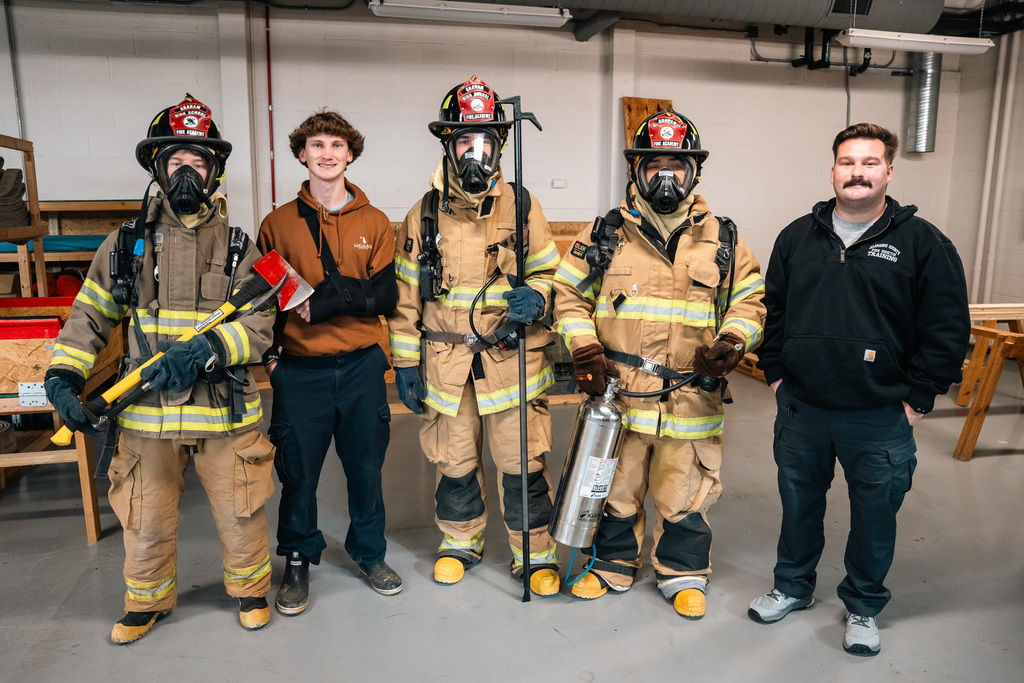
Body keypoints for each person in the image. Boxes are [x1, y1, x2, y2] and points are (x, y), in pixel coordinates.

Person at [44, 94, 277, 643]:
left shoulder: (244, 246)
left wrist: (210, 348)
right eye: (176, 162)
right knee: (145, 516)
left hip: (224, 412)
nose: (187, 174)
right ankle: (146, 603)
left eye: (198, 162)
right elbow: (89, 316)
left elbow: (263, 326)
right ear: (158, 168)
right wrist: (64, 375)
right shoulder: (124, 245)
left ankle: (250, 591)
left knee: (241, 511)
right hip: (145, 413)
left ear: (214, 169)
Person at [748, 122, 970, 655]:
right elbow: (770, 312)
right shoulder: (797, 236)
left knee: (875, 516)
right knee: (799, 504)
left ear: (888, 172)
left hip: (879, 415)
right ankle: (792, 587)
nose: (857, 172)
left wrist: (918, 397)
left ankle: (864, 606)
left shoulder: (923, 243)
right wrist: (776, 374)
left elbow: (946, 328)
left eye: (870, 163)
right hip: (803, 406)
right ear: (833, 171)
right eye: (848, 162)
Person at [552, 110, 766, 619]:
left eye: (677, 164)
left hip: (692, 397)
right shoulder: (604, 233)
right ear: (636, 172)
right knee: (615, 490)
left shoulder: (726, 240)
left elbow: (751, 303)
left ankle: (683, 574)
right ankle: (612, 568)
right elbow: (566, 296)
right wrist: (583, 348)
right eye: (654, 166)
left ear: (695, 172)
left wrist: (733, 342)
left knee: (686, 494)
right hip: (619, 398)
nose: (665, 176)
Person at [387, 76, 563, 595]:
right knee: (455, 461)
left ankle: (533, 551)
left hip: (513, 364)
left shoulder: (524, 207)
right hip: (446, 369)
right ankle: (460, 542)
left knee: (521, 465)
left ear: (500, 145)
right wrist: (403, 363)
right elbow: (405, 299)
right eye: (465, 140)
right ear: (449, 144)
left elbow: (553, 275)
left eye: (486, 140)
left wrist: (542, 298)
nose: (475, 151)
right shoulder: (422, 214)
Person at [257, 110, 401, 614]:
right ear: (302, 154)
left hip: (362, 365)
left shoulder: (376, 222)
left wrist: (335, 299)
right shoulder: (277, 223)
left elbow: (385, 298)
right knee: (299, 472)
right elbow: (263, 301)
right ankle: (297, 560)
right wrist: (272, 359)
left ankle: (370, 553)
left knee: (366, 468)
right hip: (300, 370)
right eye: (316, 145)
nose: (326, 154)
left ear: (350, 154)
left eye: (336, 146)